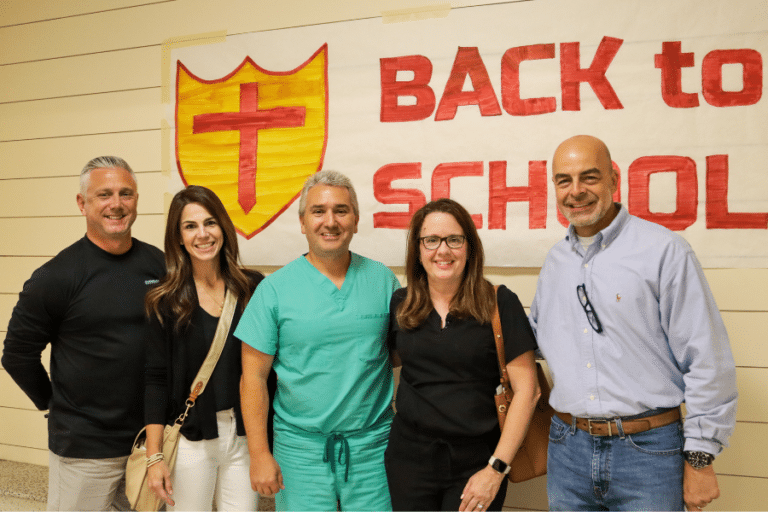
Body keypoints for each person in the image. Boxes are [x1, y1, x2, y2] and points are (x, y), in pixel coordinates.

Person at [529, 135, 738, 511]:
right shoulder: (556, 261)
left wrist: (700, 458)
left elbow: (706, 358)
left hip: (649, 453)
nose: (576, 191)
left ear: (613, 179)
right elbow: (538, 340)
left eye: (589, 177)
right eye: (564, 180)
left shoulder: (664, 251)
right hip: (568, 450)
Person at [2, 156, 165, 511]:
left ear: (136, 199)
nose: (116, 204)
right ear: (82, 203)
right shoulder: (57, 276)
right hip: (85, 447)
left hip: (149, 443)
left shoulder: (159, 265)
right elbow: (16, 354)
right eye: (104, 194)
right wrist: (53, 402)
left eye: (126, 193)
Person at [235, 169, 400, 511]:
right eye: (318, 211)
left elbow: (399, 354)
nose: (330, 221)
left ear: (356, 220)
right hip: (300, 450)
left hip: (373, 448)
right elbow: (253, 377)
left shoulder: (383, 281)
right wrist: (260, 453)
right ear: (302, 221)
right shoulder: (274, 290)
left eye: (341, 210)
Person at [385, 198, 540, 512]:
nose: (442, 251)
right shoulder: (402, 303)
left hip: (477, 461)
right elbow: (389, 361)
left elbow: (528, 391)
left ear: (470, 246)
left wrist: (496, 469)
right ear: (417, 248)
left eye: (454, 240)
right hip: (409, 460)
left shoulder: (499, 302)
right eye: (431, 240)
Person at [143, 185, 272, 510]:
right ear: (179, 237)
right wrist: (154, 456)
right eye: (190, 226)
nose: (203, 234)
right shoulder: (166, 300)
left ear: (224, 229)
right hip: (191, 439)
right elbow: (155, 380)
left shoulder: (252, 288)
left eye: (210, 223)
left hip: (245, 437)